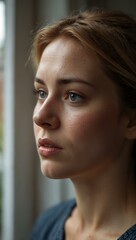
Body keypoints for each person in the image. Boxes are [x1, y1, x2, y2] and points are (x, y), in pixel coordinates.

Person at [30, 8, 136, 240]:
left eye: (73, 96)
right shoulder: (45, 226)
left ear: (131, 120)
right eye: (41, 92)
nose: (40, 117)